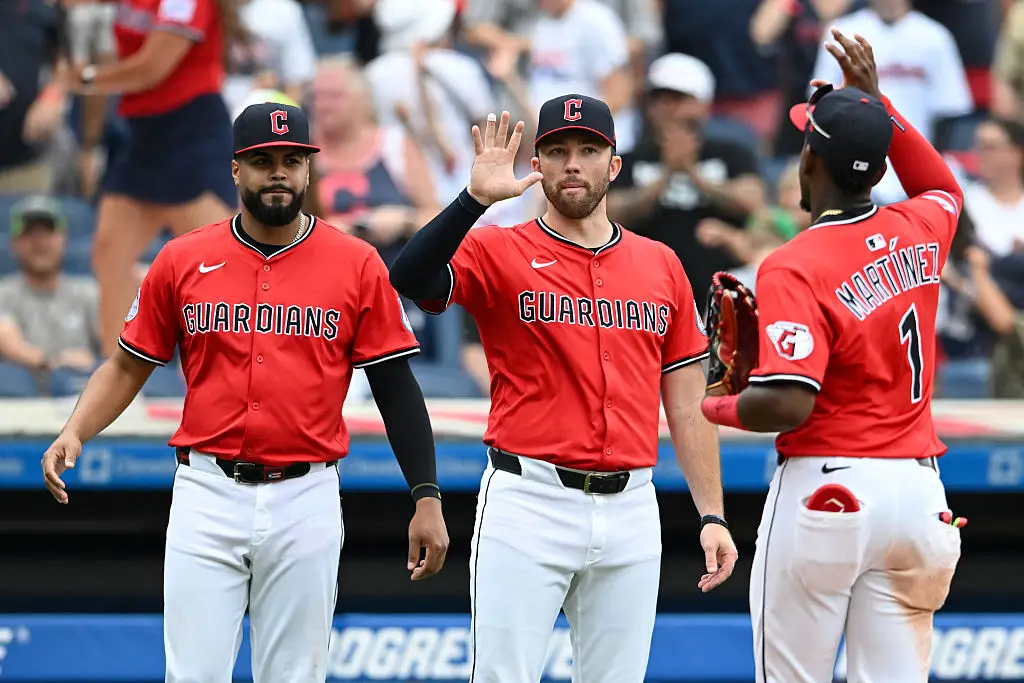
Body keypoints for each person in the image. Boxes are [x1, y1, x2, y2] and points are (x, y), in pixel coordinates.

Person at [40, 102, 450, 683]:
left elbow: (396, 387)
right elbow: (128, 364)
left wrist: (426, 495)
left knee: (294, 675)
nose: (278, 172)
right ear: (236, 170)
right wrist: (75, 430)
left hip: (306, 493)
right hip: (207, 490)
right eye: (262, 161)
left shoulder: (356, 263)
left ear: (308, 169)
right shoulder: (183, 257)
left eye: (291, 160)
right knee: (192, 674)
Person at [389, 95, 738, 683]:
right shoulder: (499, 248)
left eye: (588, 150)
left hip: (632, 505)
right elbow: (409, 277)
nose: (572, 163)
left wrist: (714, 514)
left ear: (614, 165)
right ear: (537, 166)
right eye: (556, 151)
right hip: (529, 499)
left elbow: (687, 403)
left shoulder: (660, 263)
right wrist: (473, 201)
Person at [700, 30, 964, 683]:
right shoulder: (922, 226)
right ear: (878, 167)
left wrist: (713, 405)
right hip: (919, 495)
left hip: (829, 485)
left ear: (810, 162)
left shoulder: (796, 262)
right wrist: (880, 110)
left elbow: (788, 401)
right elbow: (941, 184)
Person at [67, 0, 243, 358]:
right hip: (144, 137)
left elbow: (151, 68)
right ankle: (117, 369)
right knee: (109, 255)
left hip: (191, 136)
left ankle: (232, 373)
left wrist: (86, 79)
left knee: (218, 270)